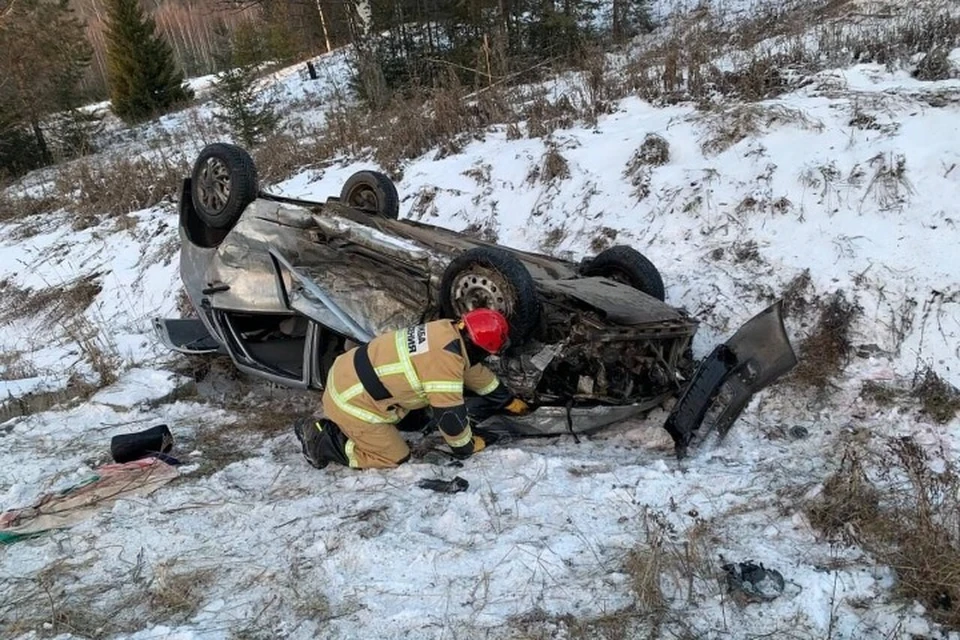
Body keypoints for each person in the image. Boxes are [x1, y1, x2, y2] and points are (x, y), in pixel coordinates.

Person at [294, 308, 530, 470]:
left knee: (420, 422)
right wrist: (466, 446)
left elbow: (473, 372)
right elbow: (449, 415)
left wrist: (506, 400)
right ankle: (322, 440)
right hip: (351, 401)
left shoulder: (446, 331)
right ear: (479, 346)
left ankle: (361, 430)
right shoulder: (443, 362)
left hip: (348, 375)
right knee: (396, 456)